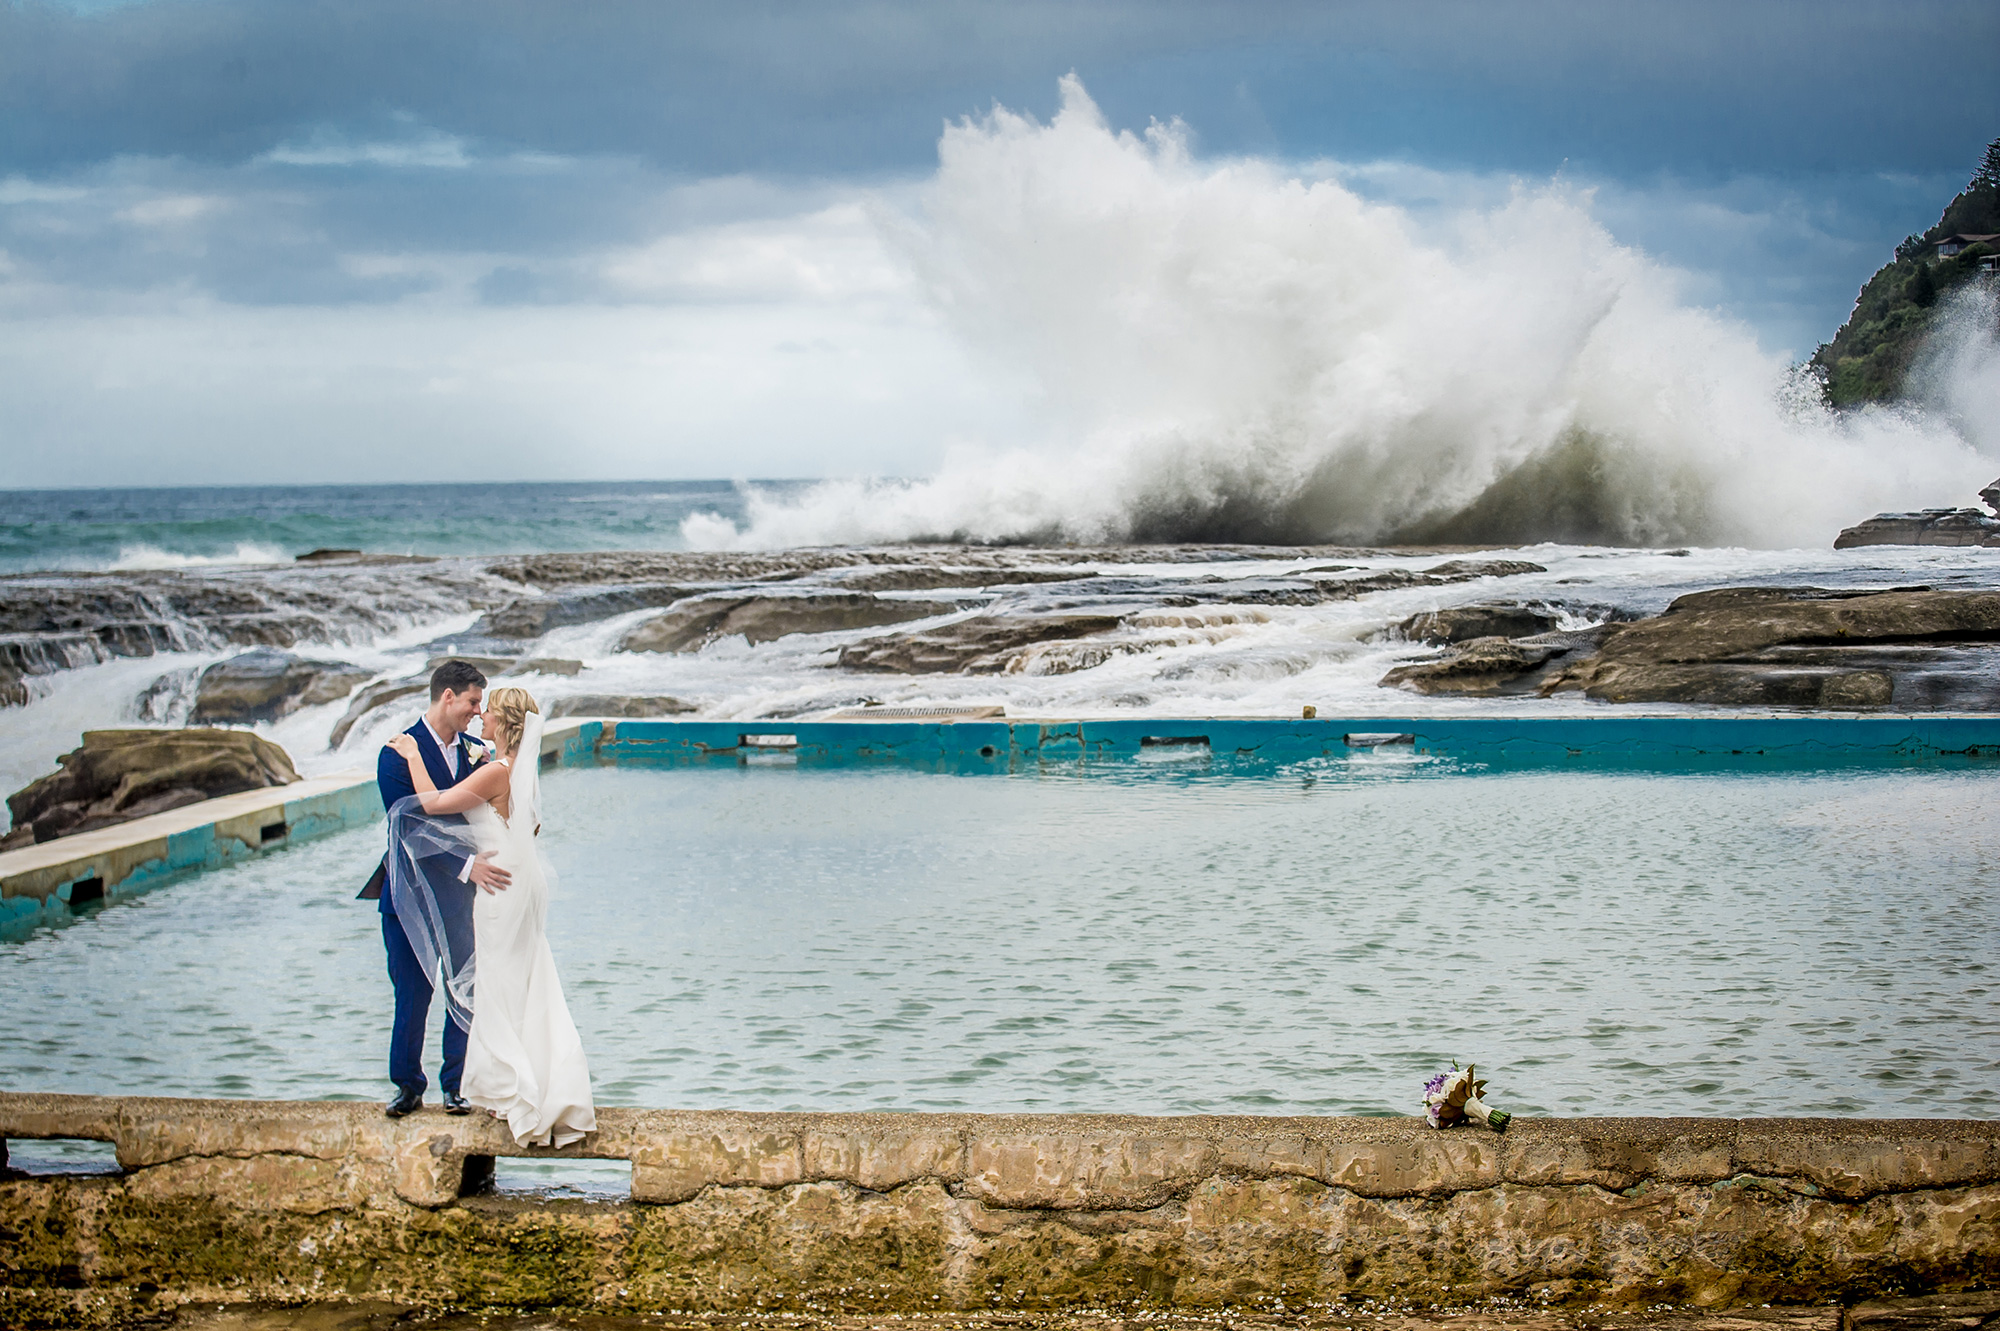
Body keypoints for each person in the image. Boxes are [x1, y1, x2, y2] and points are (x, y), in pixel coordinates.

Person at [385, 686, 596, 1148]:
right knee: (527, 978)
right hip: (519, 878)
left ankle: (516, 1090)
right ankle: (535, 1085)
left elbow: (435, 804)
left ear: (503, 722)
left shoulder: (496, 772)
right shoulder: (515, 770)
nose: (481, 717)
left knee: (498, 983)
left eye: (489, 712)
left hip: (497, 886)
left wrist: (413, 753)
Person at [364, 659, 509, 1119]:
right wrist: (467, 865)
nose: (475, 711)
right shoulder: (395, 753)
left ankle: (456, 1086)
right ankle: (408, 1086)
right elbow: (407, 828)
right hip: (406, 894)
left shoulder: (476, 752)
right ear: (448, 696)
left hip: (461, 899)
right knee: (411, 994)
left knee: (462, 988)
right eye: (472, 701)